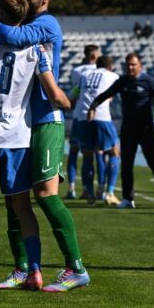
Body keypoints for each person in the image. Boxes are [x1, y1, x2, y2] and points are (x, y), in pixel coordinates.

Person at [0, 0, 89, 292]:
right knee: (13, 199)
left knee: (46, 194)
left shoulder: (46, 25)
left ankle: (75, 267)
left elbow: (17, 38)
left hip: (47, 118)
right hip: (23, 122)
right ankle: (22, 268)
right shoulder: (18, 27)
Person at [89, 53, 154, 209]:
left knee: (153, 162)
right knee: (126, 163)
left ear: (140, 65)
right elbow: (107, 93)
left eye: (133, 64)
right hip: (128, 129)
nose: (130, 67)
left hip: (146, 129)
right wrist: (93, 105)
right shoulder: (123, 81)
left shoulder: (149, 81)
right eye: (128, 64)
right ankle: (128, 198)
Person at [75, 56, 120, 205]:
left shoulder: (85, 75)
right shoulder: (112, 75)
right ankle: (110, 192)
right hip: (101, 115)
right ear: (110, 66)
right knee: (114, 151)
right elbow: (111, 96)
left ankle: (89, 194)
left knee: (88, 155)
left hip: (83, 116)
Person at [66, 44, 100, 200]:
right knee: (95, 153)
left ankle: (71, 188)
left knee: (73, 151)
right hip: (98, 116)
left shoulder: (77, 71)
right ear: (94, 55)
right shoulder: (103, 71)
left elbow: (74, 94)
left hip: (79, 116)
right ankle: (98, 189)